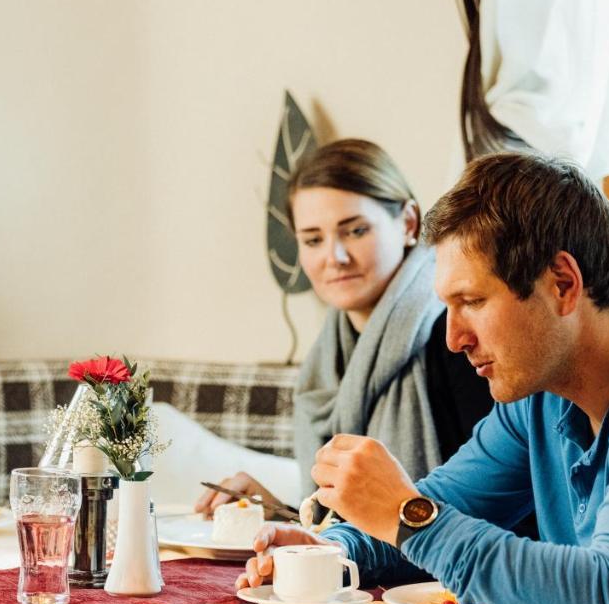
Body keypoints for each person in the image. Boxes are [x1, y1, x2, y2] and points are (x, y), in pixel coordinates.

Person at [239, 152, 609, 604]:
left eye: (473, 302)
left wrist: (406, 514)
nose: (455, 338)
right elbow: (449, 503)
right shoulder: (544, 390)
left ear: (562, 284)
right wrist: (333, 550)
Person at [196, 139, 493, 524]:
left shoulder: (453, 335)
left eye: (354, 231)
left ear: (407, 224)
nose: (334, 257)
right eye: (313, 239)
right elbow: (341, 526)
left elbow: (485, 509)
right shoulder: (328, 356)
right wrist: (276, 513)